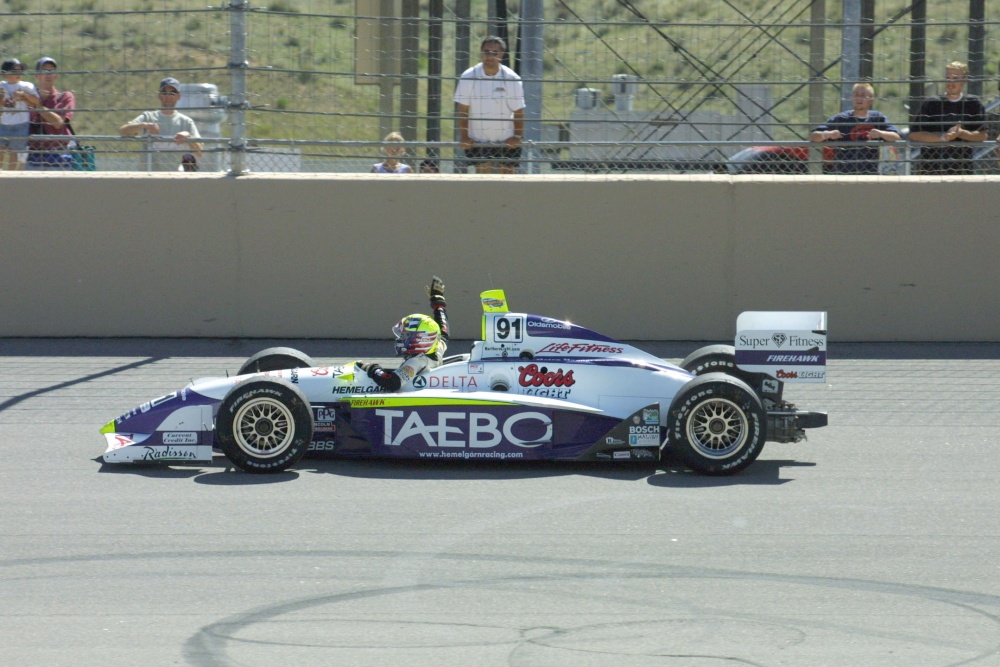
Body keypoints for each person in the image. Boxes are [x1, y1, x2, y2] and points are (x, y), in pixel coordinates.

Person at [356, 277, 449, 392]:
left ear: (422, 340)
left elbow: (391, 383)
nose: (402, 339)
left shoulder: (416, 362)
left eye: (409, 336)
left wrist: (371, 368)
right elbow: (443, 331)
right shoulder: (436, 348)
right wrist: (438, 303)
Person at [454, 36, 525, 174]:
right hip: (479, 139)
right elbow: (462, 109)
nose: (490, 56)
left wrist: (517, 137)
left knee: (508, 180)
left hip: (506, 139)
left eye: (495, 53)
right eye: (486, 51)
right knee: (483, 179)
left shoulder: (512, 78)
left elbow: (519, 110)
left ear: (502, 55)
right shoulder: (468, 76)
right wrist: (464, 136)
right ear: (481, 53)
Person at [909, 61, 988, 175]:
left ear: (964, 81)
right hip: (930, 169)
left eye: (955, 78)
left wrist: (961, 133)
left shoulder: (973, 103)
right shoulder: (931, 103)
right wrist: (943, 137)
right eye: (948, 77)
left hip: (962, 169)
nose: (950, 82)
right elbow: (914, 134)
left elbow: (983, 135)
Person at [809, 83, 900, 174]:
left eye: (863, 95)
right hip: (842, 173)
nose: (859, 98)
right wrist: (827, 134)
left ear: (871, 100)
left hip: (869, 173)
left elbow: (895, 136)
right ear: (852, 98)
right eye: (856, 95)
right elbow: (813, 136)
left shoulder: (877, 118)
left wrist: (881, 133)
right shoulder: (841, 119)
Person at [119, 77, 203, 171]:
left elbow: (199, 152)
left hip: (172, 176)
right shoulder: (148, 117)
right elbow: (123, 131)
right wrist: (145, 125)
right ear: (159, 96)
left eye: (172, 93)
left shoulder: (186, 122)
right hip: (147, 175)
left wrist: (188, 137)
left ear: (179, 96)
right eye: (164, 93)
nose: (168, 96)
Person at [27, 57, 75, 171]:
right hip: (33, 156)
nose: (48, 75)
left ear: (56, 75)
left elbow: (58, 123)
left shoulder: (64, 97)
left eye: (51, 71)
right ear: (37, 75)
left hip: (59, 156)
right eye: (44, 71)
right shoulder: (27, 97)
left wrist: (38, 106)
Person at [0, 58, 40, 171]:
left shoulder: (27, 86)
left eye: (20, 70)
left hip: (20, 124)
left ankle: (10, 175)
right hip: (2, 123)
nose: (18, 73)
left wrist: (24, 95)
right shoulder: (1, 86)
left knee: (15, 152)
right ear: (5, 74)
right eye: (14, 71)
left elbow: (37, 101)